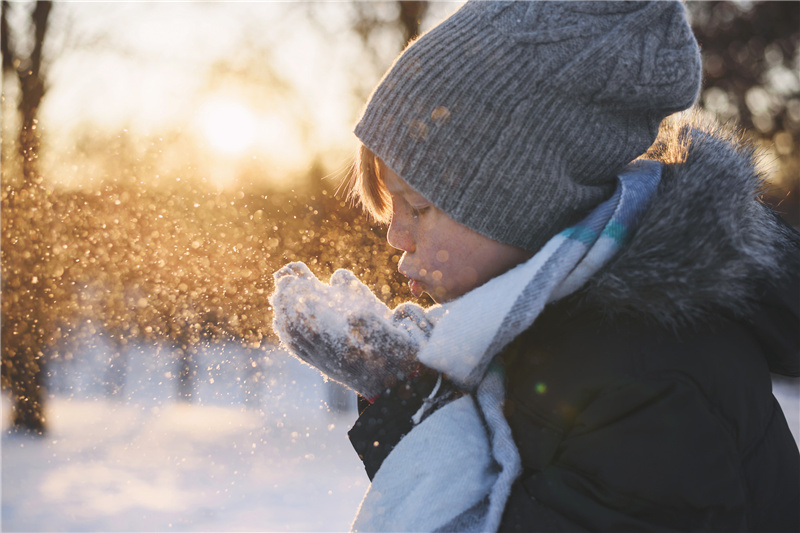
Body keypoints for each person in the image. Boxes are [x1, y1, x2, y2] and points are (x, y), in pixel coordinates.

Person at [270, 1, 800, 531]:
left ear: (522, 203)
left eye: (420, 208)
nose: (395, 235)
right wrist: (405, 381)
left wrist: (412, 411)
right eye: (391, 209)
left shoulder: (650, 374)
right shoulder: (534, 325)